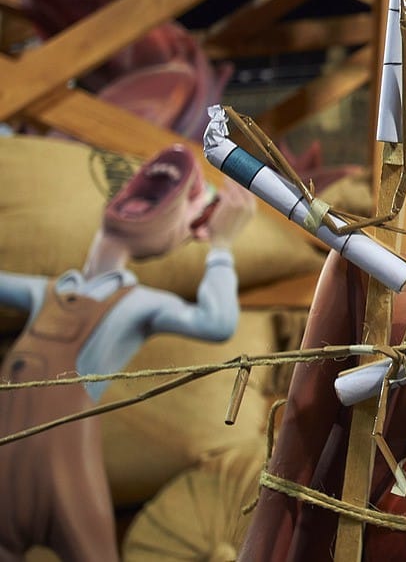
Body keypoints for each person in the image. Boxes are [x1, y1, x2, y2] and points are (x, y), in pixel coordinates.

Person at [0, 144, 254, 562]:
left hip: (66, 469)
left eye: (187, 206)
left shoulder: (137, 304)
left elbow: (218, 322)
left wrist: (222, 247)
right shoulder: (48, 290)